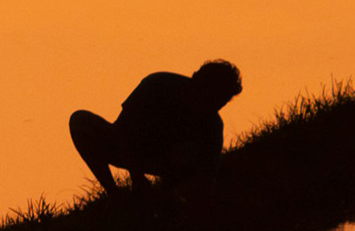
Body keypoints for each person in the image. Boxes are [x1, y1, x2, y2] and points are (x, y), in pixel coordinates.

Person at [69, 60, 242, 195]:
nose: (215, 107)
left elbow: (207, 178)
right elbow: (125, 130)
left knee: (191, 155)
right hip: (126, 149)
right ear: (198, 83)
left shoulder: (212, 126)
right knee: (80, 121)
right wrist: (136, 177)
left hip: (166, 165)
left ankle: (165, 198)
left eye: (222, 102)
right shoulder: (157, 85)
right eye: (212, 98)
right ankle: (115, 195)